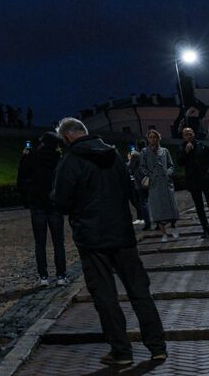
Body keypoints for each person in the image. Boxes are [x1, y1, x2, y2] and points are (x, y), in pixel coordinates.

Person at [52, 117, 167, 368]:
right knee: (139, 290)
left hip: (92, 238)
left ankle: (121, 350)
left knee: (105, 295)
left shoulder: (70, 161)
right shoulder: (113, 155)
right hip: (122, 233)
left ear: (68, 137)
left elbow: (60, 201)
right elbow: (129, 189)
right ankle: (157, 347)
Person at [27, 132, 68, 286]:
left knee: (40, 243)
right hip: (55, 204)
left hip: (37, 204)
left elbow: (22, 179)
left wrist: (30, 197)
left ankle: (43, 277)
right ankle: (61, 276)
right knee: (59, 242)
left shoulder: (32, 157)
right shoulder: (59, 159)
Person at [179, 128, 209, 238]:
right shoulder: (181, 148)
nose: (189, 135)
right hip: (193, 181)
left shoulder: (202, 146)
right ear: (183, 136)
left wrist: (208, 175)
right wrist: (186, 152)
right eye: (186, 134)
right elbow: (180, 162)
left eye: (190, 133)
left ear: (194, 134)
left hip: (205, 180)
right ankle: (206, 230)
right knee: (199, 207)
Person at [140, 130, 179, 238]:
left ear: (158, 138)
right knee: (158, 209)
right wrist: (150, 175)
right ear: (148, 139)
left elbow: (171, 165)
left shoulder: (165, 151)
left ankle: (173, 228)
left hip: (166, 183)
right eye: (150, 137)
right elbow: (142, 166)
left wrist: (168, 173)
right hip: (154, 184)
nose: (153, 139)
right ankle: (164, 233)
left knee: (171, 207)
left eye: (155, 137)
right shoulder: (144, 151)